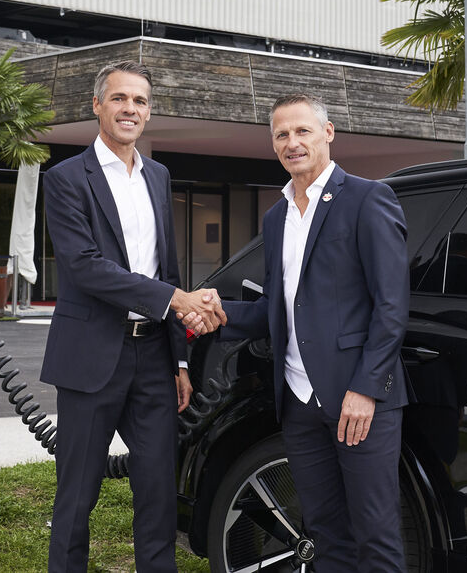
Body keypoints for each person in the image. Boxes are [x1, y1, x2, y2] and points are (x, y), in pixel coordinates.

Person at [185, 93, 409, 571]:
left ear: (328, 133)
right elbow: (278, 309)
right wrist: (221, 310)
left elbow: (392, 307)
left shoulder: (369, 199)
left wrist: (366, 390)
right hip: (300, 403)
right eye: (281, 134)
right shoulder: (277, 215)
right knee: (324, 532)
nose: (292, 142)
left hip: (358, 402)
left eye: (302, 130)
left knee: (376, 533)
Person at [41, 60, 226, 572]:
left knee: (158, 492)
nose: (130, 109)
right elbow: (84, 269)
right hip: (91, 355)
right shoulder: (66, 179)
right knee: (77, 496)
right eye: (120, 99)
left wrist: (180, 361)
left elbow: (166, 264)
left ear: (148, 112)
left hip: (153, 358)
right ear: (98, 105)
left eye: (140, 101)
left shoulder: (158, 175)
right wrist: (176, 298)